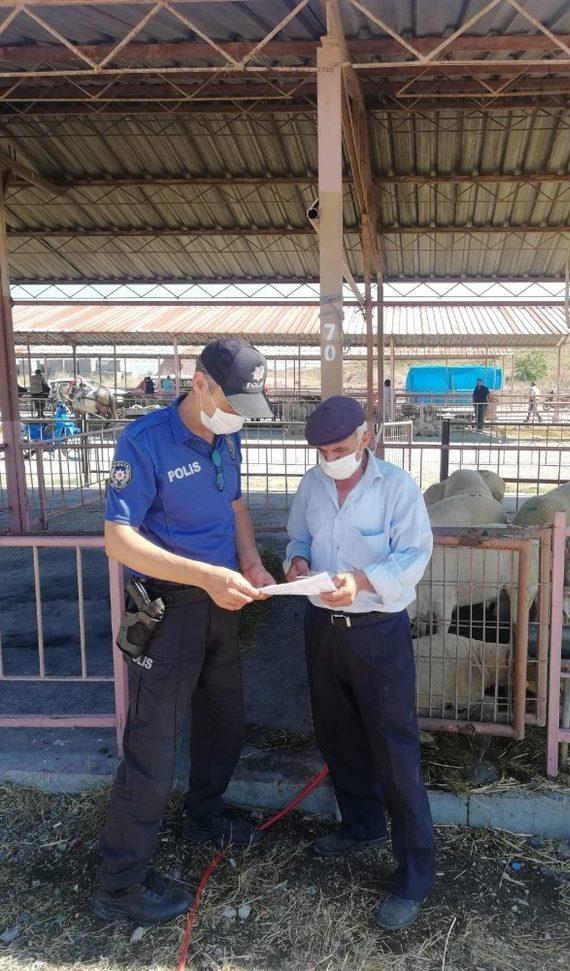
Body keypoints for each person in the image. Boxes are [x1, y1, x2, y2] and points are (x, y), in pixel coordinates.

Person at [94, 337, 276, 925]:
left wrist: (249, 562)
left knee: (224, 714)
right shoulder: (144, 443)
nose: (239, 416)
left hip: (222, 598)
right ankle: (121, 884)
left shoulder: (228, 436)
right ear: (200, 383)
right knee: (153, 742)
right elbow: (119, 539)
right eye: (234, 401)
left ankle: (205, 815)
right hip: (170, 604)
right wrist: (205, 577)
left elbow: (237, 507)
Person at [285, 395, 435, 931]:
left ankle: (415, 871)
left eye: (341, 448)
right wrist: (297, 561)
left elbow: (414, 554)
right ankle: (360, 824)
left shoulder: (396, 487)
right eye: (324, 452)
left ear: (366, 436)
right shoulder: (312, 484)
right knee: (337, 733)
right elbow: (297, 537)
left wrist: (363, 581)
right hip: (322, 628)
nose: (333, 459)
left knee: (394, 747)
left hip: (378, 631)